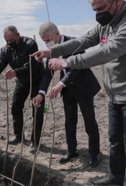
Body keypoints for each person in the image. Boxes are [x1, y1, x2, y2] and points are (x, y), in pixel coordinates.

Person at [32, 0, 126, 186]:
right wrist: (51, 50)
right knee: (115, 140)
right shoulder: (106, 24)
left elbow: (107, 51)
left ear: (117, 1)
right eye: (94, 11)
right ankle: (115, 176)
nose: (97, 15)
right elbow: (83, 41)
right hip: (116, 94)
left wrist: (67, 62)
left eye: (100, 9)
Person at [33, 21, 101, 167]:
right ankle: (71, 150)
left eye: (48, 40)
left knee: (89, 121)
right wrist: (41, 93)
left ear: (56, 34)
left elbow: (75, 67)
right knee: (70, 121)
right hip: (68, 91)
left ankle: (94, 153)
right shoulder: (51, 52)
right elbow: (47, 74)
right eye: (44, 41)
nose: (46, 44)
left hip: (83, 87)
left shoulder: (74, 43)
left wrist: (60, 84)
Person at [0, 25, 45, 153]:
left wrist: (16, 72)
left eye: (11, 40)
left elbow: (33, 65)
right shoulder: (6, 50)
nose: (9, 43)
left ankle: (34, 141)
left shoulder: (30, 44)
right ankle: (18, 135)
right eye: (6, 41)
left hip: (36, 80)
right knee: (15, 107)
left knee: (36, 111)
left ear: (18, 35)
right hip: (22, 82)